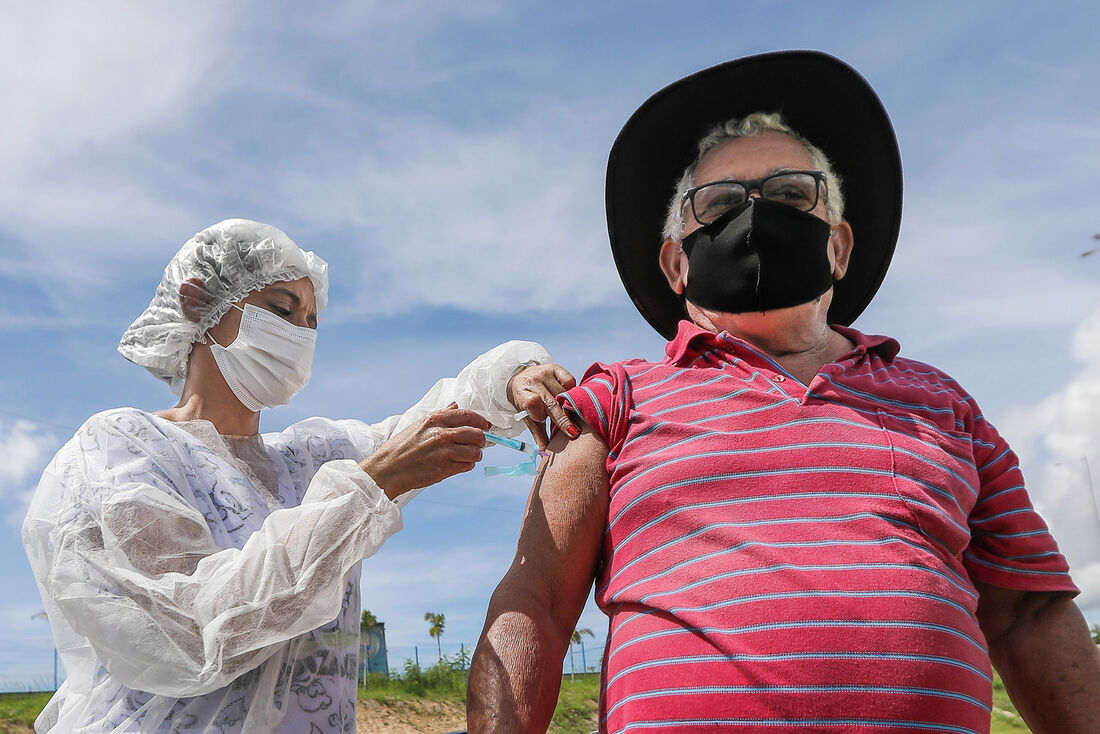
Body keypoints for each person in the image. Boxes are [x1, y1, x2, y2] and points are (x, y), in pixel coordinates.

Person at [467, 52, 1100, 734]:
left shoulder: (944, 406)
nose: (757, 214)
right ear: (677, 261)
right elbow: (536, 601)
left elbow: (1029, 612)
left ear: (838, 247)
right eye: (720, 203)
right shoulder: (614, 400)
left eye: (793, 195)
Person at [22, 218, 579, 733]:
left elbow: (429, 421)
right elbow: (191, 633)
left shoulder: (312, 459)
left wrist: (513, 378)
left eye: (311, 321)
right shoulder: (124, 448)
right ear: (199, 302)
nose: (300, 333)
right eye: (281, 310)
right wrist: (366, 492)